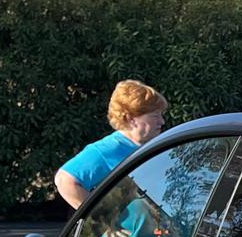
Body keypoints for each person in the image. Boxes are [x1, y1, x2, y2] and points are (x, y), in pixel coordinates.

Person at [54, 79, 168, 210]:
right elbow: (64, 180)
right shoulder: (109, 149)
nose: (162, 121)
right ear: (130, 118)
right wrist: (100, 220)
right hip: (130, 231)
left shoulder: (151, 146)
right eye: (155, 116)